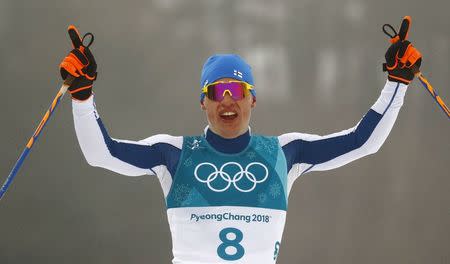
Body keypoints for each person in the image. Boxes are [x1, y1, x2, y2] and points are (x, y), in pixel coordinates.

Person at [60, 18, 422, 264]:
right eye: (217, 91)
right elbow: (100, 153)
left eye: (237, 89)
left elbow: (362, 142)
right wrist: (82, 96)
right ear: (203, 102)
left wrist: (397, 83)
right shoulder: (173, 154)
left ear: (253, 99)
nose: (227, 100)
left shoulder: (285, 153)